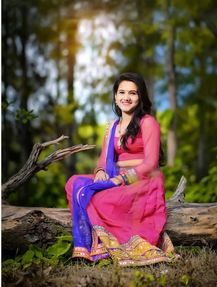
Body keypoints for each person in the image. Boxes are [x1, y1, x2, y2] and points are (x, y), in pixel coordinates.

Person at [65, 72, 175, 267]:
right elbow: (103, 160)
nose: (126, 97)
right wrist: (100, 172)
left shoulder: (148, 122)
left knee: (99, 197)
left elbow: (151, 163)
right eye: (122, 92)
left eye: (132, 93)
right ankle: (85, 248)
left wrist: (121, 180)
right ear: (115, 96)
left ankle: (108, 247)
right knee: (75, 182)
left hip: (142, 179)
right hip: (115, 175)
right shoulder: (112, 127)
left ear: (140, 97)